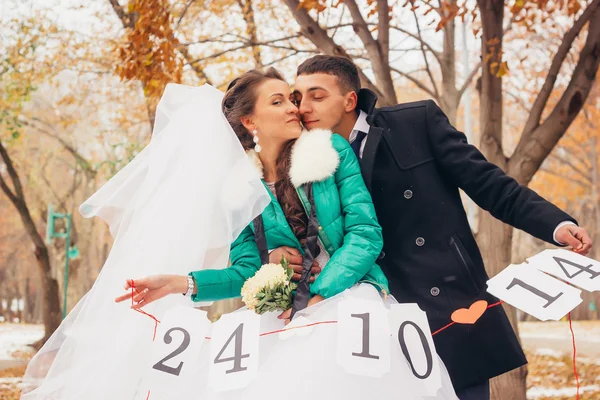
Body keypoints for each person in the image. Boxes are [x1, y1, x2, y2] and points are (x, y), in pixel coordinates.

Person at [113, 68, 458, 399]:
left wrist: (318, 296)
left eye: (290, 99)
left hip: (348, 297)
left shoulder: (332, 151)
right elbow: (247, 273)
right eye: (278, 102)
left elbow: (365, 234)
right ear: (250, 122)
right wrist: (182, 283)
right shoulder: (238, 189)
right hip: (282, 311)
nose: (295, 108)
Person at [270, 54, 594, 400]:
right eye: (298, 97)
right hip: (369, 315)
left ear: (350, 100)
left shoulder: (414, 123)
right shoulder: (298, 160)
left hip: (443, 300)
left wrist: (556, 225)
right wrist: (275, 253)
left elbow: (490, 185)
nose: (304, 107)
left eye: (317, 96)